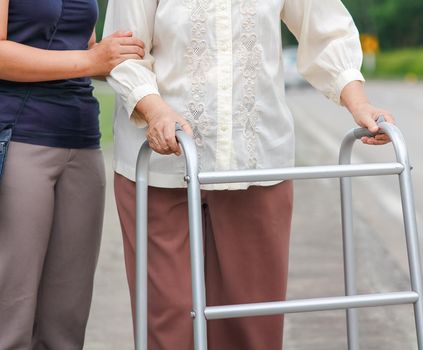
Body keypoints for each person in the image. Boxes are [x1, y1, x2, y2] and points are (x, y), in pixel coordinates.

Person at [104, 0, 394, 348]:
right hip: (162, 168)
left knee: (253, 325)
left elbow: (327, 30)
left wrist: (358, 103)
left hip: (257, 163)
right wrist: (156, 111)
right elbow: (124, 50)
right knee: (169, 325)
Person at [0, 0, 144, 348]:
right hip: (20, 136)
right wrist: (94, 60)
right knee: (11, 312)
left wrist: (121, 54)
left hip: (82, 140)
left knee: (66, 317)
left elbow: (85, 50)